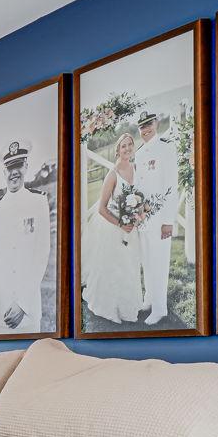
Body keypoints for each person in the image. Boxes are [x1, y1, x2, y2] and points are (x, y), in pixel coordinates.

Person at [0, 139, 50, 333]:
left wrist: (22, 304)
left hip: (28, 312)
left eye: (18, 165)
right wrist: (5, 303)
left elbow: (41, 256)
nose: (14, 172)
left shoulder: (39, 202)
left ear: (26, 166)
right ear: (4, 172)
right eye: (10, 168)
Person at [82, 130, 147, 325]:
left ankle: (129, 306)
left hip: (131, 227)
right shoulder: (112, 174)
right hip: (113, 227)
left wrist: (138, 215)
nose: (127, 148)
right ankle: (109, 306)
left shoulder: (137, 168)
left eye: (130, 144)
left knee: (130, 265)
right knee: (112, 266)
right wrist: (120, 223)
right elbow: (101, 208)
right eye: (123, 145)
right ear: (117, 150)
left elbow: (141, 198)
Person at [132, 112, 180, 324]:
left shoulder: (165, 147)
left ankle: (160, 309)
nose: (145, 129)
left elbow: (171, 185)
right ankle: (149, 299)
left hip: (160, 217)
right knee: (147, 261)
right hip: (143, 218)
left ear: (156, 123)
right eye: (142, 126)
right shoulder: (140, 153)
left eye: (148, 124)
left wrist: (168, 220)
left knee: (159, 262)